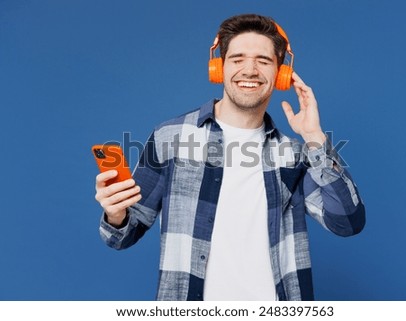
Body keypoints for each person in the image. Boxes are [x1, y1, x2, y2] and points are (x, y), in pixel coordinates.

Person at [94, 14, 365, 301]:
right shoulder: (169, 137)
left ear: (281, 74)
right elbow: (121, 236)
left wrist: (314, 137)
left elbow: (347, 223)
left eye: (263, 60)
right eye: (237, 59)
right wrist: (116, 213)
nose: (249, 70)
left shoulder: (295, 155)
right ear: (218, 68)